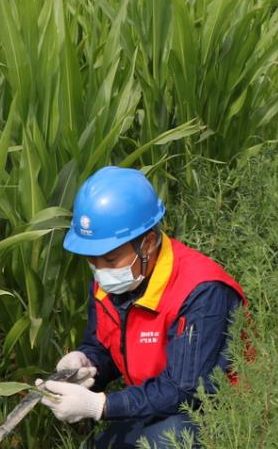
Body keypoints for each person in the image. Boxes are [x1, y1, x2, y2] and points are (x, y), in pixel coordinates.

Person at [37, 166, 245, 449]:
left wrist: (101, 406)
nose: (99, 271)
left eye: (109, 260)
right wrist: (86, 363)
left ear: (147, 243)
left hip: (220, 415)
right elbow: (105, 344)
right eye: (91, 260)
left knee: (170, 441)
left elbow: (184, 390)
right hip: (157, 401)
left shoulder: (201, 292)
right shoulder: (113, 281)